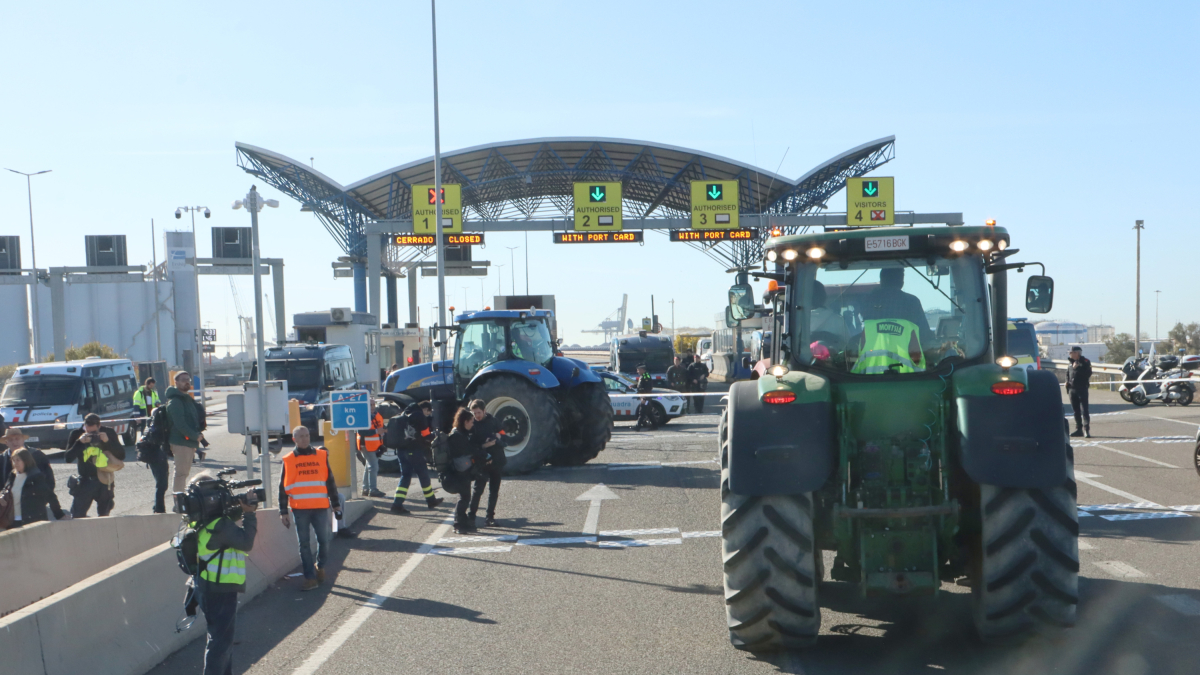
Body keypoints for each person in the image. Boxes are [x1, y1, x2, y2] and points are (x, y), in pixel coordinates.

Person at [190, 470, 258, 675]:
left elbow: (225, 520)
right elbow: (246, 542)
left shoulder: (200, 520)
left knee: (221, 640)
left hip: (205, 586)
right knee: (220, 643)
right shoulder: (219, 525)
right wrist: (250, 513)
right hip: (220, 590)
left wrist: (240, 505)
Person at [279, 425, 341, 591]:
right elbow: (282, 488)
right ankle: (310, 578)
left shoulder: (321, 455)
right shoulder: (289, 459)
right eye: (300, 436)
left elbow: (330, 481)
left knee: (325, 540)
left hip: (321, 507)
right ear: (294, 439)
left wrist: (335, 504)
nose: (305, 439)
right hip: (299, 509)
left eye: (307, 435)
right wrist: (283, 511)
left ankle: (319, 566)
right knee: (304, 544)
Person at [64, 413, 125, 517]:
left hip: (105, 479)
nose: (92, 434)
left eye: (94, 432)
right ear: (84, 426)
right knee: (77, 516)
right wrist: (79, 442)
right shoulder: (76, 434)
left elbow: (121, 455)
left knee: (104, 515)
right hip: (86, 480)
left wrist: (107, 442)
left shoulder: (108, 432)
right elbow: (68, 458)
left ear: (99, 426)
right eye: (89, 431)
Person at [390, 401, 444, 514]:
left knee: (406, 475)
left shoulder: (404, 414)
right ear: (425, 410)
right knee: (423, 474)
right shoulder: (419, 416)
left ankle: (397, 504)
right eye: (428, 413)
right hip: (413, 450)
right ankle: (430, 500)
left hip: (401, 450)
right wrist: (435, 435)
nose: (428, 415)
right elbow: (426, 435)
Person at [445, 408, 487, 534]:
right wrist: (482, 453)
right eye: (471, 422)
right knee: (464, 497)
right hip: (460, 471)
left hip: (462, 469)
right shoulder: (458, 436)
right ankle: (458, 524)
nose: (472, 424)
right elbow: (469, 450)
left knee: (465, 497)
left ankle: (462, 523)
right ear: (465, 421)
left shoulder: (458, 433)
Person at [861, 268, 932, 343]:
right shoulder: (912, 301)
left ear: (882, 281)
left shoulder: (868, 301)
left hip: (870, 353)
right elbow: (924, 334)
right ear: (901, 282)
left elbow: (864, 330)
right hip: (908, 353)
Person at [166, 372, 205, 499]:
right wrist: (194, 436)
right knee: (181, 474)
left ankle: (181, 500)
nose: (187, 382)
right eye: (183, 380)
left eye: (188, 379)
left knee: (184, 473)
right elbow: (180, 425)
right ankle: (179, 502)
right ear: (176, 383)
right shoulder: (175, 402)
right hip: (180, 442)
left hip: (187, 442)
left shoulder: (186, 399)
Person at [467, 399, 504, 527]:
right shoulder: (472, 425)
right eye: (474, 413)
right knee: (478, 490)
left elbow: (504, 437)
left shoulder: (494, 421)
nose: (477, 416)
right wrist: (485, 445)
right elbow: (470, 446)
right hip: (481, 462)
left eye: (478, 412)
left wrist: (498, 439)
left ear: (484, 410)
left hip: (497, 460)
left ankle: (490, 517)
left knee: (494, 490)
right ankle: (471, 516)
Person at [5, 448, 60, 528]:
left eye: (18, 460)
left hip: (31, 520)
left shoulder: (35, 476)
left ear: (26, 461)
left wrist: (59, 514)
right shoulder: (13, 475)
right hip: (13, 520)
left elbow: (49, 495)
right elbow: (6, 489)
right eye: (13, 460)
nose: (15, 463)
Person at [136, 403, 173, 513]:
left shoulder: (149, 425)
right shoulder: (158, 428)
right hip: (157, 457)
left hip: (152, 457)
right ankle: (159, 508)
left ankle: (157, 507)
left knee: (160, 483)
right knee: (162, 484)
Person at [357, 403, 386, 498]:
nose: (372, 407)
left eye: (373, 404)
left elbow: (381, 427)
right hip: (366, 445)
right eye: (370, 405)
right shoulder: (363, 416)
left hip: (374, 445)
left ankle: (366, 489)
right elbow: (361, 431)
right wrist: (377, 431)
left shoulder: (376, 415)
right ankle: (372, 489)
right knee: (373, 466)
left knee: (369, 466)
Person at [1067, 346, 1093, 438]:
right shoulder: (1070, 362)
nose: (1070, 354)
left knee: (1084, 410)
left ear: (1077, 353)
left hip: (1082, 389)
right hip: (1072, 390)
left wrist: (1077, 368)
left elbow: (1088, 374)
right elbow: (1068, 374)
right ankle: (1079, 429)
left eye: (1071, 352)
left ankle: (1086, 430)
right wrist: (1067, 386)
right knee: (1076, 411)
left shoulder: (1085, 362)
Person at [633, 364, 657, 431]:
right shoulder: (642, 376)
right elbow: (641, 385)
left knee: (642, 411)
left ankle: (637, 427)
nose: (637, 371)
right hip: (644, 397)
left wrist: (644, 397)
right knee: (649, 412)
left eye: (638, 370)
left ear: (642, 370)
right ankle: (655, 426)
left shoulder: (646, 376)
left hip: (645, 397)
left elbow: (648, 388)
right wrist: (634, 386)